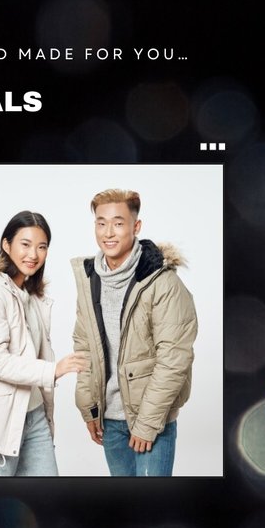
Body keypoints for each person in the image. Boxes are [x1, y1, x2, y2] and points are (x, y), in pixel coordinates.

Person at [0, 211, 88, 476]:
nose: (33, 254)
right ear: (6, 244)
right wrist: (53, 370)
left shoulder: (30, 297)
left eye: (42, 247)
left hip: (33, 415)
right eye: (25, 244)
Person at [70, 189, 198, 477]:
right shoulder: (89, 282)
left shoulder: (162, 283)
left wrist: (147, 424)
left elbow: (174, 359)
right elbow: (84, 348)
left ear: (135, 227)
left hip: (152, 421)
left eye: (118, 222)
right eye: (101, 223)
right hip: (109, 422)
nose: (108, 232)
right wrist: (89, 407)